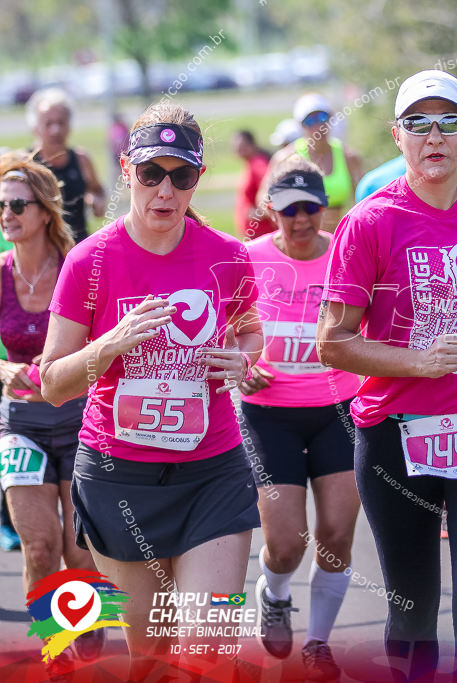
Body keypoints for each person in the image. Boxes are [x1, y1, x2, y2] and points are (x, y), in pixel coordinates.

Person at [317, 70, 457, 682]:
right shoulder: (368, 223)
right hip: (395, 435)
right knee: (412, 611)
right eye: (417, 123)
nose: (432, 136)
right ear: (397, 136)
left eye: (447, 122)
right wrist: (418, 363)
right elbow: (331, 344)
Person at [40, 103, 263, 680]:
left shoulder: (228, 258)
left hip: (212, 474)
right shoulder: (89, 261)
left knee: (208, 650)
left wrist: (242, 359)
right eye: (150, 173)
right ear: (125, 170)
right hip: (120, 479)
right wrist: (107, 345)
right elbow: (52, 382)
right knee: (152, 658)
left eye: (181, 175)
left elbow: (252, 334)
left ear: (198, 179)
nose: (165, 190)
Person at [239, 156, 361, 681]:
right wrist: (239, 369)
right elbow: (223, 334)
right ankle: (276, 592)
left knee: (335, 534)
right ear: (272, 210)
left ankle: (318, 642)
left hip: (340, 411)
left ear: (323, 206)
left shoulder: (348, 257)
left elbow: (375, 328)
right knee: (286, 544)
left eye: (311, 207)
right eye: (290, 210)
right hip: (270, 416)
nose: (302, 220)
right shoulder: (247, 259)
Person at [0, 153, 105, 676]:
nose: (7, 213)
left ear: (43, 210)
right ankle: (54, 650)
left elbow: (107, 340)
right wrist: (4, 372)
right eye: (1, 205)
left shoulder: (77, 267)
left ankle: (88, 625)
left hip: (82, 423)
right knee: (40, 547)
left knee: (79, 551)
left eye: (17, 203)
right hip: (20, 425)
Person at [262, 94, 363, 231]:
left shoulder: (349, 157)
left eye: (322, 118)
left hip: (341, 240)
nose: (318, 126)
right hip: (300, 243)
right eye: (309, 121)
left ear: (330, 118)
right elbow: (263, 199)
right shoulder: (286, 158)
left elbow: (363, 201)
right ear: (300, 125)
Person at [27, 89, 105, 244]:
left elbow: (96, 189)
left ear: (69, 126)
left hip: (77, 248)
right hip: (41, 252)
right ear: (35, 128)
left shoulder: (81, 159)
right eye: (48, 123)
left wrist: (96, 201)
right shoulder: (26, 164)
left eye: (61, 122)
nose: (56, 130)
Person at [355, 154, 457, 203]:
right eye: (417, 122)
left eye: (449, 121)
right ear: (397, 134)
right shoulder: (372, 184)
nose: (434, 137)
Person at [233, 130, 277, 240]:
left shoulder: (258, 163)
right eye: (236, 145)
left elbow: (273, 186)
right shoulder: (250, 163)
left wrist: (262, 212)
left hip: (262, 234)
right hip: (255, 235)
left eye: (242, 145)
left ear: (252, 145)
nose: (238, 149)